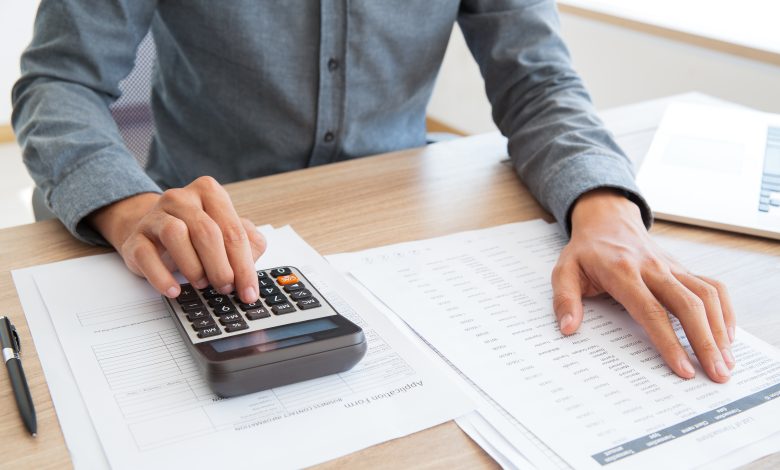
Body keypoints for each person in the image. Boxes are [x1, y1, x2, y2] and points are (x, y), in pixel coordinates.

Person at [12, 0, 735, 383]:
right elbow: (59, 81)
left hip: (398, 229)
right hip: (204, 232)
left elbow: (538, 82)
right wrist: (130, 206)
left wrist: (605, 209)